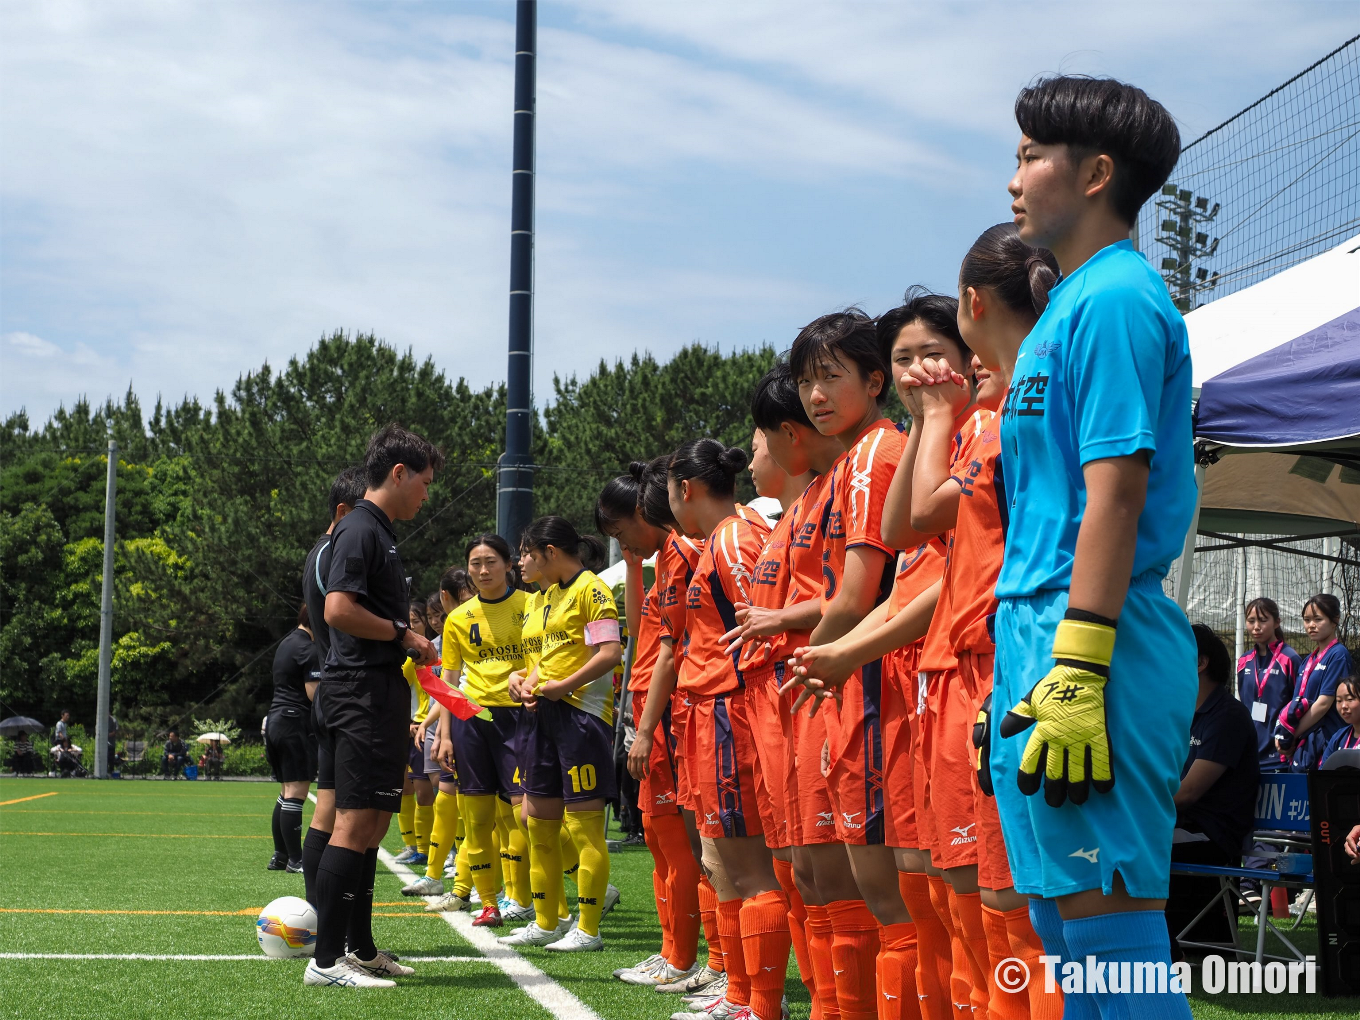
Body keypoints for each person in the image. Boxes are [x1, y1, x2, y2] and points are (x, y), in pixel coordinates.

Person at [988, 74, 1193, 1020]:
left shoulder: (1117, 298)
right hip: (1037, 636)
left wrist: (1079, 662)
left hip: (1089, 645)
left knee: (1112, 937)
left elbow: (1117, 495)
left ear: (1098, 172)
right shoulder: (1067, 306)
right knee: (1069, 934)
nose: (1016, 176)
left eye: (1033, 155)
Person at [778, 308, 920, 1020]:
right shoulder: (849, 465)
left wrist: (803, 665)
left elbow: (860, 594)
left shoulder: (875, 456)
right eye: (807, 381)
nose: (815, 396)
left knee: (889, 890)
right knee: (840, 881)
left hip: (871, 682)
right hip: (848, 681)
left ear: (876, 379)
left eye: (830, 377)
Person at [305, 424, 442, 989]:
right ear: (398, 474)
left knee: (373, 825)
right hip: (359, 692)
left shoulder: (377, 531)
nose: (427, 494)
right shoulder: (360, 528)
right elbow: (338, 608)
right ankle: (326, 962)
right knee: (354, 824)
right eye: (425, 483)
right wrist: (402, 634)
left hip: (374, 692)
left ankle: (358, 949)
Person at [598, 465, 706, 989]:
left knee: (683, 842)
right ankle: (674, 952)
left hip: (671, 712)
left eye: (621, 533)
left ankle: (689, 958)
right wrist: (637, 565)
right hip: (649, 707)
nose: (621, 545)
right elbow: (644, 634)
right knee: (662, 840)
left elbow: (673, 645)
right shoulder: (662, 559)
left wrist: (647, 726)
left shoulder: (685, 551)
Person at [501, 516, 623, 952]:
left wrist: (564, 686)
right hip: (541, 716)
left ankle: (588, 929)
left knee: (583, 826)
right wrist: (522, 679)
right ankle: (547, 921)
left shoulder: (591, 589)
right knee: (538, 823)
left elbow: (610, 653)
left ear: (550, 551)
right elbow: (541, 660)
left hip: (580, 718)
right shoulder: (543, 599)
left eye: (526, 553)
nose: (519, 562)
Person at [413, 535, 533, 928]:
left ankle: (527, 897)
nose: (483, 570)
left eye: (491, 562)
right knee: (477, 819)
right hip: (472, 723)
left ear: (508, 565)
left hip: (519, 720)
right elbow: (448, 683)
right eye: (476, 564)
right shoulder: (458, 619)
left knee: (525, 817)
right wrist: (445, 735)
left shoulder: (530, 607)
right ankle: (488, 904)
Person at [1165, 625, 1259, 953]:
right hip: (1182, 826)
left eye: (1175, 652)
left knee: (1135, 841)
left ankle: (1150, 945)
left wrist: (1138, 812)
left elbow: (1189, 793)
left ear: (1200, 663)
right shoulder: (1181, 714)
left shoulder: (1227, 715)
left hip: (1211, 833)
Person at [299, 465, 368, 906]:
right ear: (344, 512)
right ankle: (331, 928)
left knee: (330, 810)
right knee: (347, 817)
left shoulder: (320, 551)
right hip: (347, 693)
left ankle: (324, 920)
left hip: (333, 690)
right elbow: (344, 616)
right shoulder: (334, 553)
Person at [267, 602, 321, 872]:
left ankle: (280, 855)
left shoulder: (288, 642)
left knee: (285, 792)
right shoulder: (308, 649)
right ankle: (296, 860)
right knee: (296, 793)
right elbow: (314, 694)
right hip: (294, 722)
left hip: (276, 720)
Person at [1278, 594, 1353, 771]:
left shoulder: (1338, 654)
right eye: (1307, 620)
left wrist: (1292, 734)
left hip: (1327, 739)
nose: (1311, 625)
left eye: (1318, 619)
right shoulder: (1309, 659)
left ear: (1335, 620)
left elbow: (1323, 704)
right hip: (1306, 741)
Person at [1236, 597, 1302, 771]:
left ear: (1276, 622)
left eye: (1263, 620)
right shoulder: (1244, 661)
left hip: (1280, 755)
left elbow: (1299, 704)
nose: (1256, 626)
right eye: (1251, 621)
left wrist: (1289, 741)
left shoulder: (1289, 659)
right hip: (1250, 754)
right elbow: (1245, 704)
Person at [1320, 676, 1360, 764]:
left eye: (1350, 699)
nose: (1343, 706)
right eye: (1339, 701)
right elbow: (1323, 773)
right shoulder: (1338, 737)